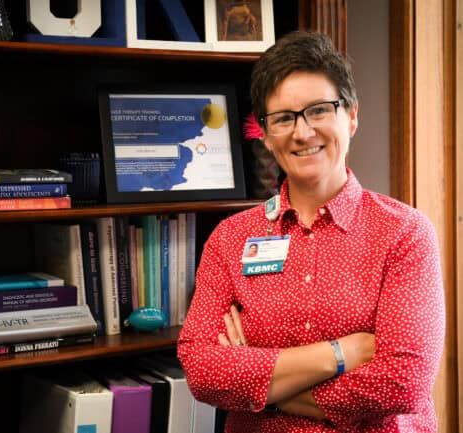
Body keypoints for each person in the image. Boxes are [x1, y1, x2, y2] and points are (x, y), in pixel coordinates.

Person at [178, 30, 445, 432]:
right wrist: (341, 353)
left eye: (319, 110)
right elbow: (201, 370)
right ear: (266, 136)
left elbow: (403, 382)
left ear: (351, 116)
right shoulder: (230, 239)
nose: (302, 132)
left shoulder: (404, 233)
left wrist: (264, 385)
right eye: (284, 118)